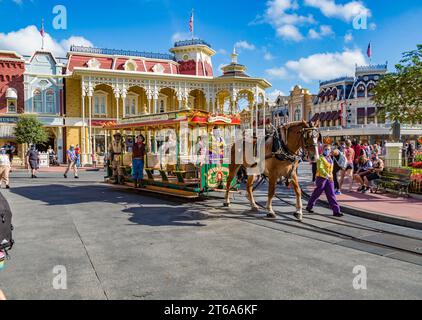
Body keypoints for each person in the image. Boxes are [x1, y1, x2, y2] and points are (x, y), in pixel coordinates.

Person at [306, 145, 343, 217]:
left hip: (329, 179)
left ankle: (336, 211)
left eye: (328, 149)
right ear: (322, 150)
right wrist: (326, 174)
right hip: (321, 178)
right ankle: (309, 206)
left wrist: (330, 176)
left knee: (331, 194)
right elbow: (320, 168)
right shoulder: (320, 158)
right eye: (326, 149)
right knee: (316, 193)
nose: (327, 150)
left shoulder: (330, 158)